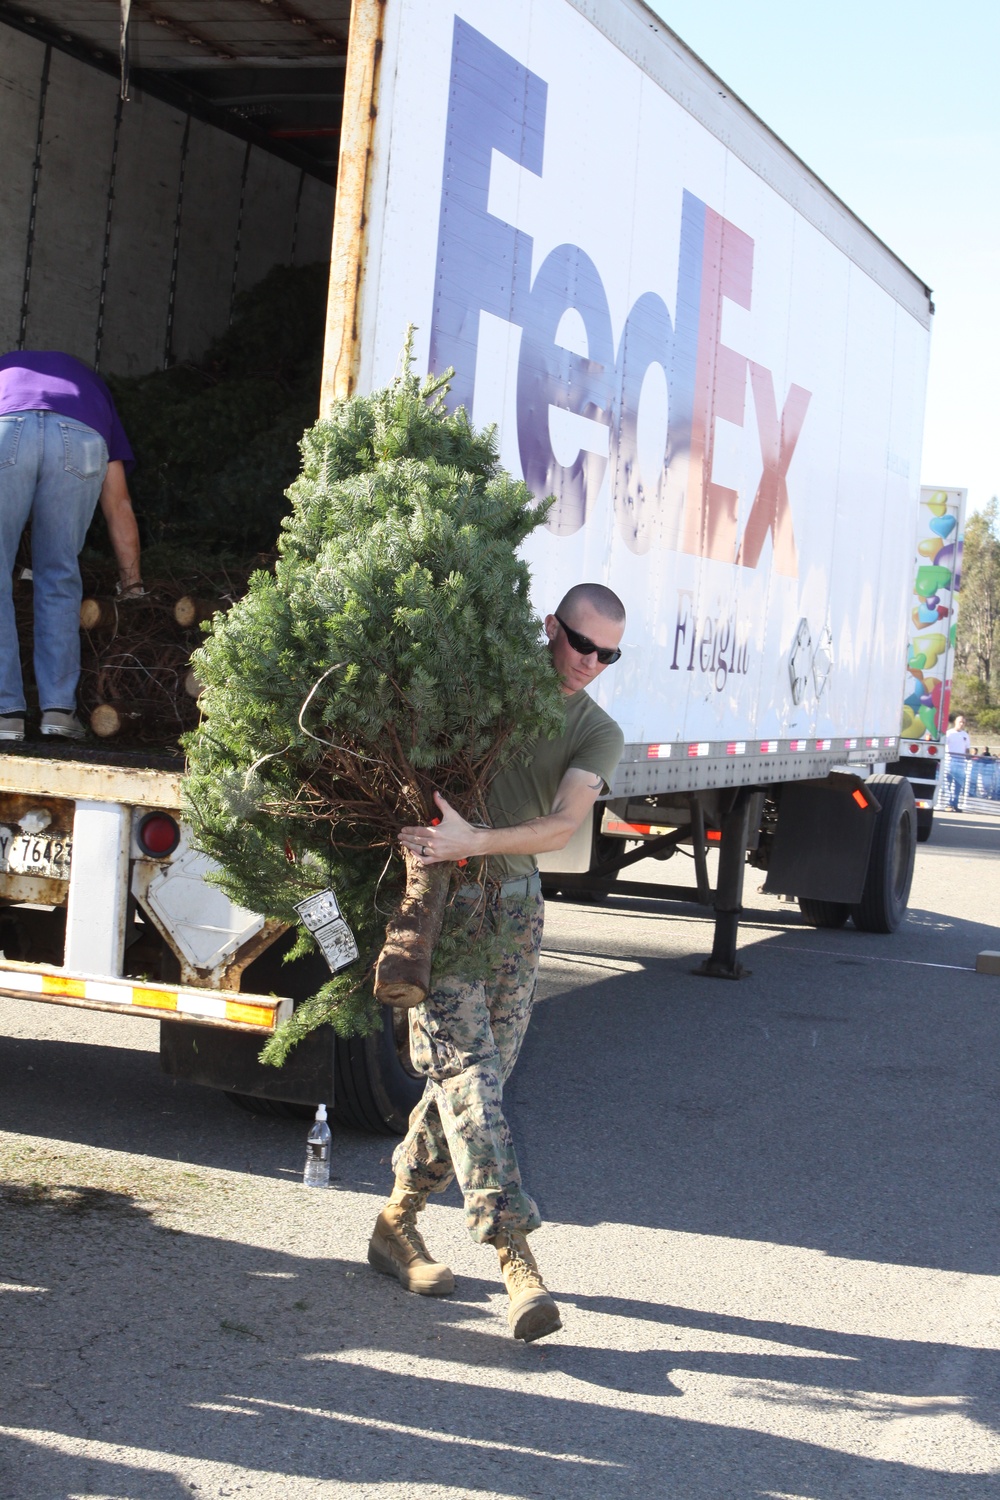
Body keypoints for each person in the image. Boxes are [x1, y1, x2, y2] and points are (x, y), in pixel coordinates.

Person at [368, 583, 626, 1343]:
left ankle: (395, 1224)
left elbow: (562, 826)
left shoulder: (596, 730)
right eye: (582, 644)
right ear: (552, 626)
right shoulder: (485, 690)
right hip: (441, 905)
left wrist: (476, 841)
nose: (591, 664)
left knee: (477, 1081)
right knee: (469, 1078)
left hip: (514, 912)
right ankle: (516, 1260)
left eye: (609, 654)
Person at [0, 350, 142, 742]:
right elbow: (119, 505)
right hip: (80, 438)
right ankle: (58, 713)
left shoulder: (4, 374)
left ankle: (4, 715)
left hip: (5, 426)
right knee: (59, 573)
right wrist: (133, 585)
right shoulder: (93, 391)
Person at [944, 712, 971, 811]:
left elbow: (967, 749)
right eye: (960, 722)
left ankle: (955, 804)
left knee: (958, 785)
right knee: (948, 783)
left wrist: (968, 757)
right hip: (950, 761)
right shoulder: (949, 733)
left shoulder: (965, 735)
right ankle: (948, 803)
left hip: (961, 762)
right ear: (955, 722)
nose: (962, 724)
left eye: (963, 722)